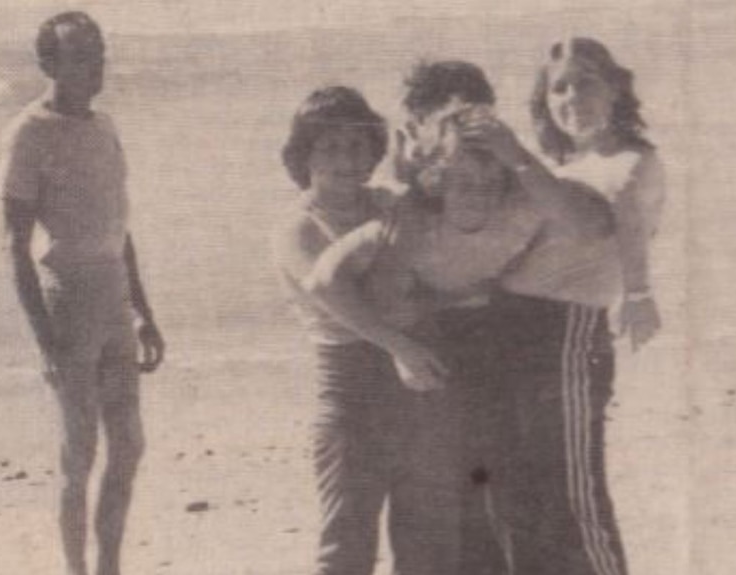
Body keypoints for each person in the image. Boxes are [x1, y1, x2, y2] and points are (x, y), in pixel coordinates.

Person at [305, 59, 628, 575]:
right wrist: (404, 344)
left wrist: (517, 159)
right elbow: (332, 283)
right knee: (441, 504)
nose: (474, 186)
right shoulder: (414, 214)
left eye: (485, 170)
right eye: (459, 175)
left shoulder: (512, 195)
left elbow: (591, 225)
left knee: (503, 488)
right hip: (420, 353)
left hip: (493, 342)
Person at [448, 37, 666, 574]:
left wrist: (641, 293)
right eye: (558, 87)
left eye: (585, 82)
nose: (571, 97)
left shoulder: (630, 162)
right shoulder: (561, 162)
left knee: (572, 493)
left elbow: (588, 221)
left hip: (564, 331)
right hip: (504, 324)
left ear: (615, 87)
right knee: (513, 494)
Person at [1, 12, 164, 575]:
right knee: (81, 453)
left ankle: (109, 565)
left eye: (99, 53)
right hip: (67, 297)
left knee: (129, 446)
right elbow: (15, 245)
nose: (95, 66)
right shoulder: (29, 131)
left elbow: (120, 227)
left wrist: (144, 311)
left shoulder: (105, 126)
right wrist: (44, 341)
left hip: (114, 294)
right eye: (80, 56)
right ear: (48, 64)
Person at [272, 85, 453, 575]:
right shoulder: (298, 226)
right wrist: (401, 346)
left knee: (425, 544)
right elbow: (333, 293)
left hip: (419, 392)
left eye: (356, 146)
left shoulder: (390, 203)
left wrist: (418, 163)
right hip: (350, 395)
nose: (346, 159)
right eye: (329, 147)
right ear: (304, 155)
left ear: (375, 151)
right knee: (345, 548)